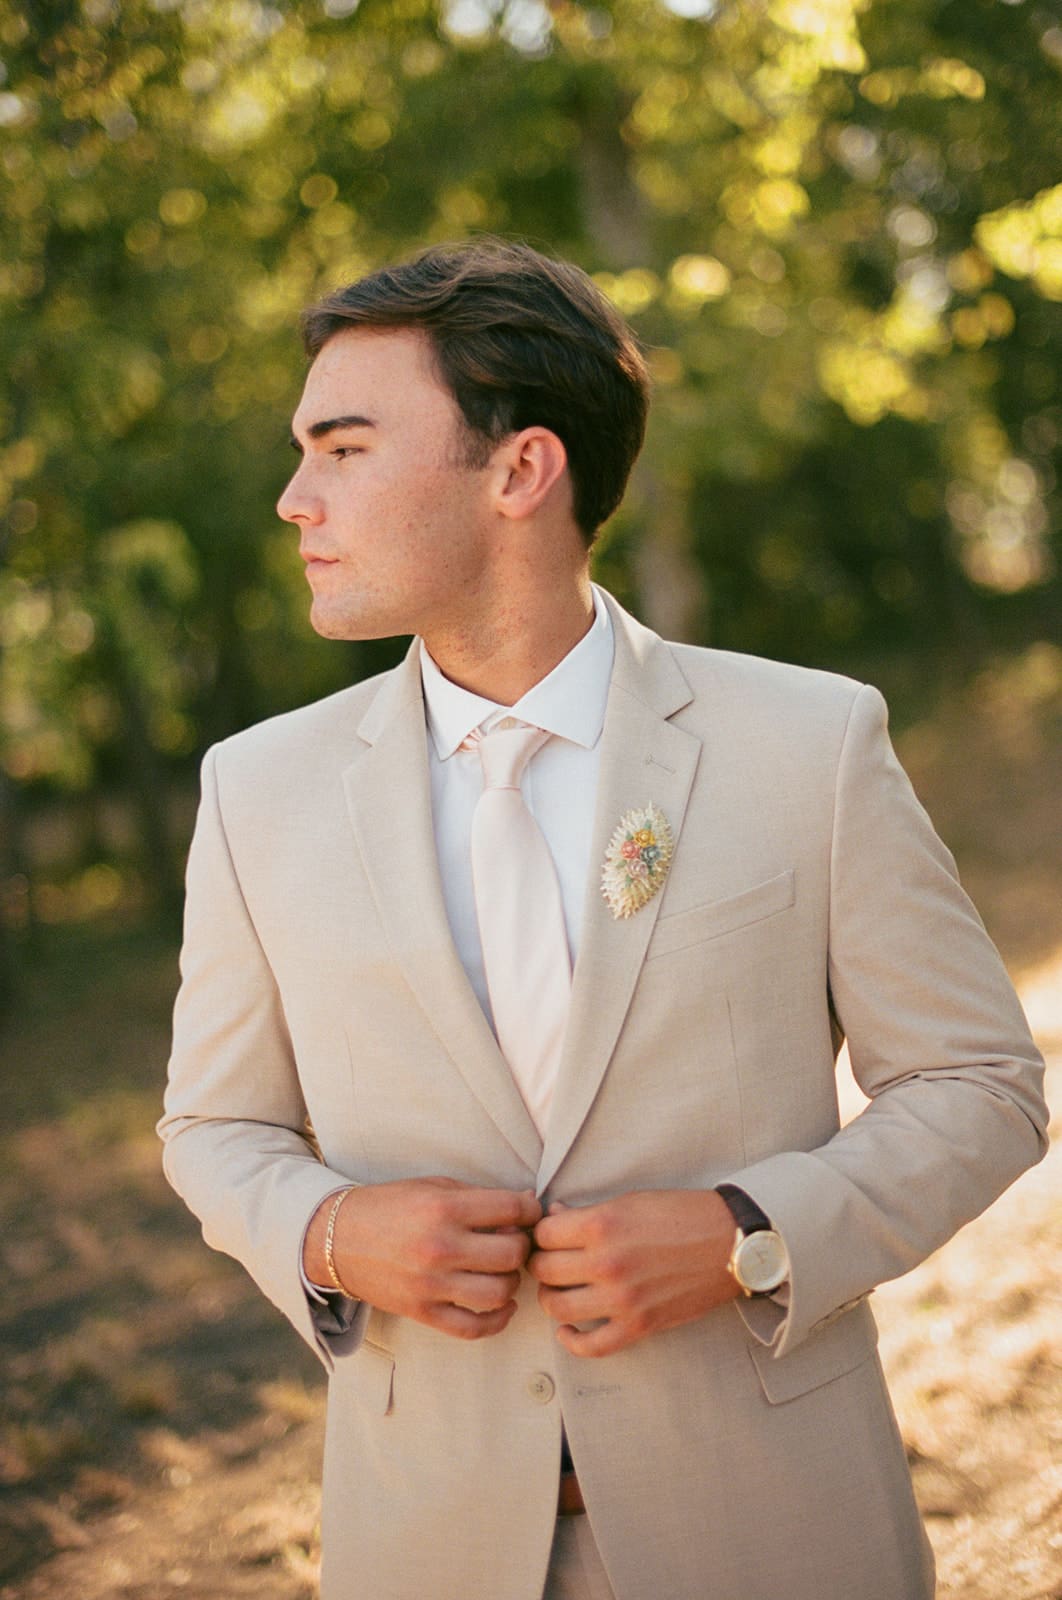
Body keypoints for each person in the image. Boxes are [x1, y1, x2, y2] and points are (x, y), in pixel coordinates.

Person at [159, 238, 1047, 1600]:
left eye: (341, 449)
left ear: (521, 471)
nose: (294, 500)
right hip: (424, 1548)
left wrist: (754, 1230)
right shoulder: (256, 794)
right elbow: (214, 1130)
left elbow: (978, 1084)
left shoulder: (804, 745)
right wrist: (332, 1235)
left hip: (778, 1537)